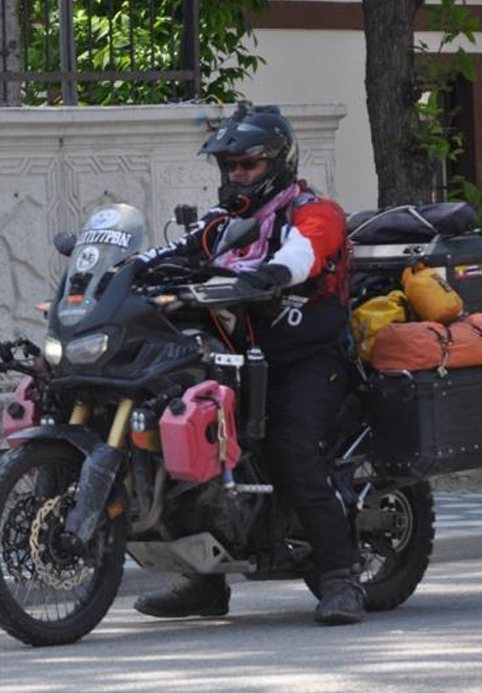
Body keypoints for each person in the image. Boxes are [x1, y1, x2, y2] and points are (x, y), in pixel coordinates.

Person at [132, 103, 365, 626]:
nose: (235, 174)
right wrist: (118, 272)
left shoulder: (312, 211)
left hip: (307, 357)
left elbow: (307, 252)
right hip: (240, 360)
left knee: (292, 450)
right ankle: (204, 583)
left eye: (247, 165)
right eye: (229, 166)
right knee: (191, 453)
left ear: (277, 163)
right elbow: (171, 252)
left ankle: (340, 578)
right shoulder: (223, 225)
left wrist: (274, 273)